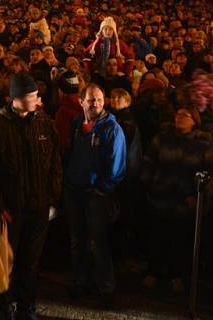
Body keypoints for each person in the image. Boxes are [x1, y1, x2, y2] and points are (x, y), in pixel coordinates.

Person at [0, 71, 62, 320]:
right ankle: (6, 304)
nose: (36, 99)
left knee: (30, 261)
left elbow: (55, 163)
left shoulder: (44, 122)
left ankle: (27, 305)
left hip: (38, 206)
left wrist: (52, 197)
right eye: (31, 95)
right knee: (6, 260)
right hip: (10, 207)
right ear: (15, 99)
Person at [63, 83, 126, 308]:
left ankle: (105, 288)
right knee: (77, 241)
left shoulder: (112, 129)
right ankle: (81, 282)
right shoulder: (78, 124)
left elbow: (117, 165)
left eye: (99, 99)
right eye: (91, 99)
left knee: (98, 242)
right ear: (81, 102)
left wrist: (102, 189)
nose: (96, 103)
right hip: (75, 192)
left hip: (95, 195)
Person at [140, 108, 213, 292]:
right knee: (157, 235)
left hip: (185, 199)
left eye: (185, 115)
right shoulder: (162, 138)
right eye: (178, 114)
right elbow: (149, 161)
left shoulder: (203, 144)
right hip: (160, 194)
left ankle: (176, 274)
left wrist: (199, 195)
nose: (179, 117)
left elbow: (208, 171)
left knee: (180, 239)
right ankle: (153, 270)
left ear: (194, 120)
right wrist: (148, 184)